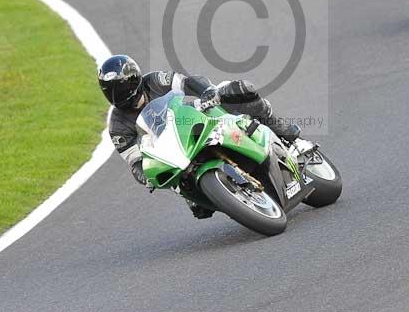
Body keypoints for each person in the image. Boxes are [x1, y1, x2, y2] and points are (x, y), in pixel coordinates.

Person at [97, 54, 301, 219]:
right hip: (171, 155)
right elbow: (134, 162)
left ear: (134, 80)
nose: (117, 95)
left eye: (120, 88)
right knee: (199, 208)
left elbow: (187, 82)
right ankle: (228, 195)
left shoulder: (154, 80)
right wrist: (145, 176)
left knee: (240, 89)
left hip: (189, 120)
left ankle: (281, 130)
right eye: (111, 92)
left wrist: (207, 91)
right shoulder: (117, 126)